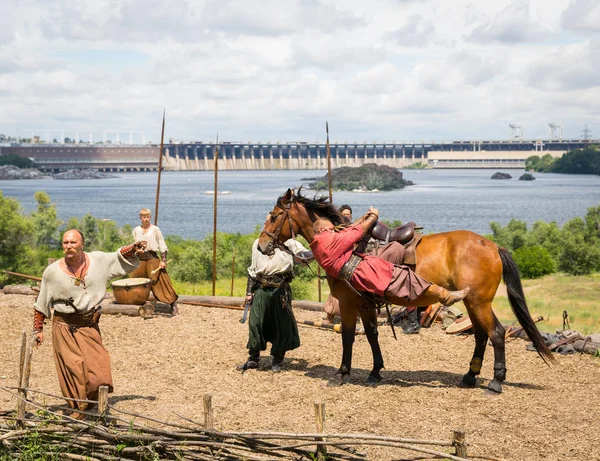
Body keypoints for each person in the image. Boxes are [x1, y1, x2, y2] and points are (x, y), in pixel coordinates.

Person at [33, 229, 145, 419]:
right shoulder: (52, 273)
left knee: (99, 369)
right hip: (64, 327)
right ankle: (79, 410)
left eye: (73, 243)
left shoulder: (98, 261)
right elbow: (41, 301)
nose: (68, 246)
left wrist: (133, 249)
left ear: (82, 244)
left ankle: (90, 403)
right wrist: (38, 329)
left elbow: (117, 257)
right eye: (65, 243)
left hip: (89, 325)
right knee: (74, 369)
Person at [310, 207, 470, 312]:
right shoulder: (328, 241)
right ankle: (445, 295)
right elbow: (357, 232)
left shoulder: (319, 243)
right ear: (323, 229)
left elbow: (350, 230)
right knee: (404, 276)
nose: (334, 230)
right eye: (331, 229)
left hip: (358, 267)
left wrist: (362, 218)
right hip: (361, 270)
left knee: (397, 259)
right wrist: (373, 217)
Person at [238, 221, 313, 373]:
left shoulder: (290, 243)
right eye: (266, 222)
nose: (267, 225)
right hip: (262, 288)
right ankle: (253, 358)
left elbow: (308, 257)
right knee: (255, 323)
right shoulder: (258, 243)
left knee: (281, 325)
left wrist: (306, 252)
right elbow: (253, 270)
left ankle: (277, 360)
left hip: (281, 290)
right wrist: (249, 292)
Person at [129, 208, 178, 313]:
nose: (146, 219)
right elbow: (133, 245)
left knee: (159, 281)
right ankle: (136, 304)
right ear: (140, 218)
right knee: (135, 280)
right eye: (144, 217)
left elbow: (162, 245)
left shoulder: (155, 229)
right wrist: (137, 247)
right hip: (140, 259)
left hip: (152, 258)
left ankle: (172, 303)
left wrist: (163, 260)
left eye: (148, 217)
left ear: (150, 217)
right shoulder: (136, 230)